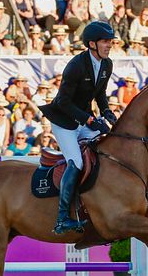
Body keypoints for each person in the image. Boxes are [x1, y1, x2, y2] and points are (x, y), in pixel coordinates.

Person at [38, 21, 115, 234]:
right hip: (64, 122)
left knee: (108, 143)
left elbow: (100, 94)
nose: (109, 45)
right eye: (105, 42)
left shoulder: (107, 64)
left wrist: (107, 112)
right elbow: (63, 101)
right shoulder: (76, 66)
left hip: (83, 119)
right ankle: (62, 218)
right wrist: (90, 121)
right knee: (77, 162)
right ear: (92, 44)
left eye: (110, 42)